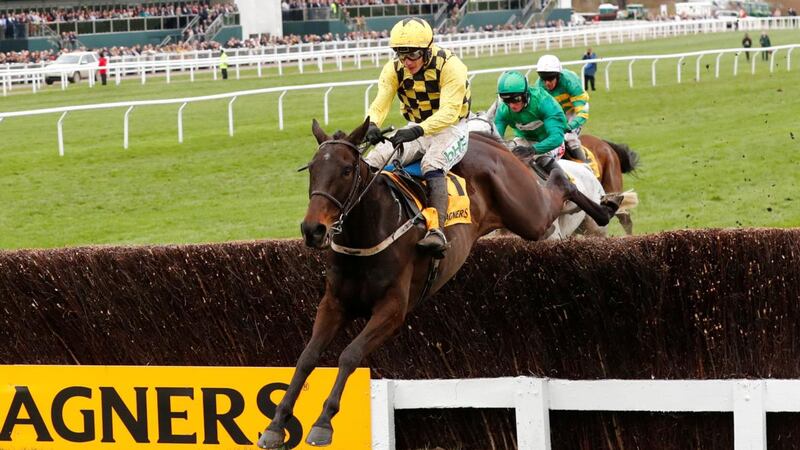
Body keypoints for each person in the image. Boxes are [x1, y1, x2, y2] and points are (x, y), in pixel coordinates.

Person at [364, 17, 471, 259]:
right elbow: (380, 103)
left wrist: (418, 130)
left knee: (431, 164)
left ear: (426, 49)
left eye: (412, 54)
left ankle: (437, 230)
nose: (406, 61)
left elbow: (449, 113)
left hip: (452, 128)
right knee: (374, 158)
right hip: (418, 127)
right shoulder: (394, 69)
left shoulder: (451, 66)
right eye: (401, 55)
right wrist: (371, 124)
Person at [493, 70, 568, 177]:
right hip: (523, 140)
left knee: (542, 161)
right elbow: (496, 139)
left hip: (550, 143)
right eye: (506, 100)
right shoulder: (503, 110)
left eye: (516, 99)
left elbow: (556, 137)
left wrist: (532, 150)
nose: (512, 105)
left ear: (525, 94)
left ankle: (569, 189)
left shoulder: (544, 103)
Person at [535, 54, 590, 163]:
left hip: (574, 110)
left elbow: (581, 112)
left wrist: (570, 126)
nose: (547, 83)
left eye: (550, 79)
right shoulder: (539, 87)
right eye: (544, 79)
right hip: (558, 113)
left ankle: (586, 166)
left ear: (558, 75)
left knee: (570, 138)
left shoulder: (570, 82)